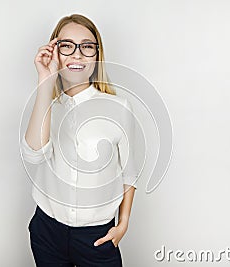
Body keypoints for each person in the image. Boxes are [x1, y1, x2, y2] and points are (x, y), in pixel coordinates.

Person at [21, 13, 139, 267]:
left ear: (96, 55)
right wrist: (45, 80)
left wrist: (124, 223)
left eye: (86, 46)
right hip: (47, 232)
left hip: (96, 237)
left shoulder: (119, 107)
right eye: (67, 46)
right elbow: (34, 154)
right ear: (55, 53)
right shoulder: (47, 105)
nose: (77, 54)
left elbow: (129, 172)